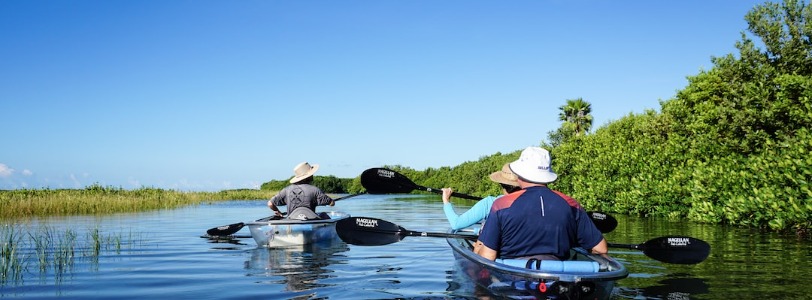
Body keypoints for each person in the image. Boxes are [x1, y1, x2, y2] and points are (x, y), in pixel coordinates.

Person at [474, 147, 608, 261]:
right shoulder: (571, 203)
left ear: (519, 174)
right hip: (558, 280)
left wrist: (478, 249)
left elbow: (488, 257)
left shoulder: (501, 204)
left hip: (513, 281)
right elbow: (600, 248)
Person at [440, 163, 521, 231]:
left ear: (501, 183)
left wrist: (446, 200)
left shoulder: (489, 203)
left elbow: (456, 224)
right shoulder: (530, 202)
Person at [267, 162, 335, 220]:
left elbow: (270, 203)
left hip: (291, 222)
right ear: (308, 176)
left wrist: (278, 211)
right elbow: (331, 203)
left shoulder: (286, 190)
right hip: (310, 222)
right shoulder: (315, 190)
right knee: (323, 214)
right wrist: (331, 201)